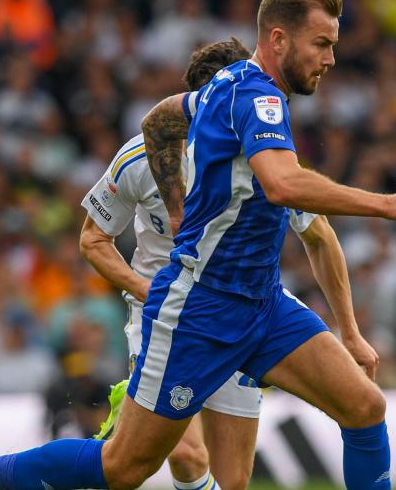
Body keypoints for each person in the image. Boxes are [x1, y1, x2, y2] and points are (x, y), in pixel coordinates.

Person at [0, 0, 396, 490]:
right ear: (278, 39)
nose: (331, 59)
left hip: (264, 304)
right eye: (322, 44)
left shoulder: (223, 90)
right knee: (123, 468)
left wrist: (180, 206)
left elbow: (159, 118)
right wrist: (385, 204)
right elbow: (281, 184)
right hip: (199, 310)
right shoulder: (257, 100)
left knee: (364, 407)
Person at [79, 37, 354, 490]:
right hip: (166, 313)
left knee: (233, 481)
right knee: (186, 456)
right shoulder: (139, 157)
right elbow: (93, 240)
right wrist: (147, 291)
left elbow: (319, 235)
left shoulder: (266, 158)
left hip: (236, 311)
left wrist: (351, 331)